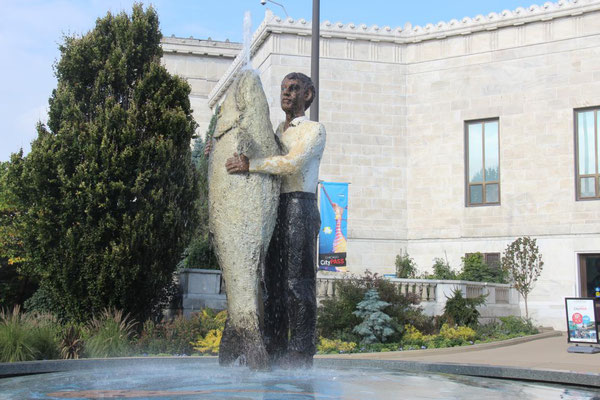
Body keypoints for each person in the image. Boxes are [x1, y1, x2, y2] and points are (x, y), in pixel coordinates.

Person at [224, 72, 326, 367]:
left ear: (308, 95)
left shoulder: (314, 131)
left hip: (299, 208)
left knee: (297, 283)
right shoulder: (274, 134)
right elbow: (244, 154)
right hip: (273, 209)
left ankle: (300, 348)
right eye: (283, 89)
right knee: (273, 283)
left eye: (294, 89)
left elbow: (291, 163)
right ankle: (273, 342)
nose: (286, 94)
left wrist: (251, 164)